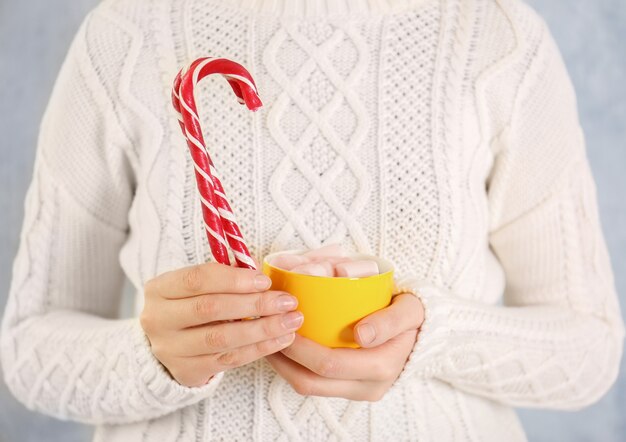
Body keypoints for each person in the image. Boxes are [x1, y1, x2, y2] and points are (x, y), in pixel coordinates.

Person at [2, 0, 624, 440]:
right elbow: (28, 351)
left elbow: (589, 351)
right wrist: (154, 356)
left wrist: (436, 337)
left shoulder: (498, 40)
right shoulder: (126, 35)